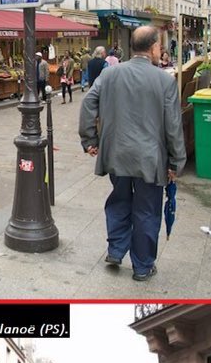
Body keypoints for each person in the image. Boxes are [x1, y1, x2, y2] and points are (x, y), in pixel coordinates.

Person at [79, 25, 186, 282]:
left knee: (119, 201)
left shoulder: (110, 74)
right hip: (150, 159)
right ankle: (142, 266)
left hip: (117, 154)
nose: (160, 50)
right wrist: (176, 161)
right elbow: (173, 125)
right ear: (152, 48)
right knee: (147, 211)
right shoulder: (165, 80)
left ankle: (115, 250)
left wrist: (89, 139)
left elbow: (87, 103)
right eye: (159, 46)